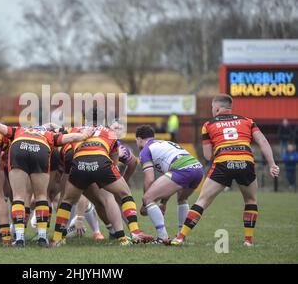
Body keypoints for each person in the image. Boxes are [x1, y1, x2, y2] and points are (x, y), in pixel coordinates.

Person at [171, 94, 280, 247]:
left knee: (202, 201)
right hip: (246, 161)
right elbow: (262, 141)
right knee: (250, 200)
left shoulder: (208, 124)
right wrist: (272, 164)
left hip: (223, 162)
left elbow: (208, 156)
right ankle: (248, 241)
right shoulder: (248, 121)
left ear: (216, 108)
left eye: (211, 108)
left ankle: (180, 237)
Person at [0, 117, 94, 248]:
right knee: (42, 196)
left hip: (19, 147)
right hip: (41, 149)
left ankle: (20, 238)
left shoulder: (19, 130)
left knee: (18, 197)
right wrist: (85, 135)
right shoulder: (48, 134)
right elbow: (70, 138)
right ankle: (42, 237)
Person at [51, 108, 153, 247]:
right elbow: (119, 158)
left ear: (84, 119)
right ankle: (132, 234)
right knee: (124, 194)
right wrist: (116, 175)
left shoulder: (76, 129)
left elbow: (58, 135)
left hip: (79, 164)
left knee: (67, 200)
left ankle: (57, 238)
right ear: (103, 120)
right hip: (101, 163)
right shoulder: (110, 132)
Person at [135, 124, 204, 244]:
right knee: (182, 198)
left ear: (139, 139)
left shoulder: (145, 151)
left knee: (148, 198)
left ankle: (162, 237)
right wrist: (163, 203)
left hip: (182, 168)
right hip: (197, 168)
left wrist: (145, 202)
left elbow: (149, 179)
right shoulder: (164, 143)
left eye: (136, 141)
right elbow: (169, 181)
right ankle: (180, 236)